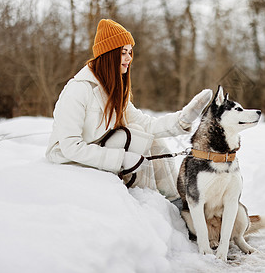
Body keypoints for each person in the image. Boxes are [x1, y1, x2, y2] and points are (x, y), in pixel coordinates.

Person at [46, 19, 212, 205]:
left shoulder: (113, 90)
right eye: (123, 53)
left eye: (130, 52)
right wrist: (121, 159)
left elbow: (147, 125)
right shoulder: (78, 89)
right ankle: (147, 200)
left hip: (100, 146)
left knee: (152, 139)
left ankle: (175, 200)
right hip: (70, 157)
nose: (129, 58)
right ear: (109, 55)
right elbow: (70, 146)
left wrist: (182, 119)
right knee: (134, 136)